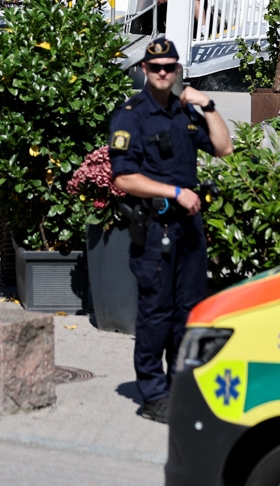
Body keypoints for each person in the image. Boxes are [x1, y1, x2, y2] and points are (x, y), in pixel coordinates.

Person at [109, 37, 233, 424]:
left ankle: (181, 387)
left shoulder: (185, 112)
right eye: (156, 67)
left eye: (170, 67)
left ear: (178, 71)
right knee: (157, 314)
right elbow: (124, 178)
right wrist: (174, 191)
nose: (163, 73)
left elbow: (224, 147)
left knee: (189, 311)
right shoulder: (131, 115)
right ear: (144, 70)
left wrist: (208, 105)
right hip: (155, 227)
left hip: (189, 228)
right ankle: (153, 393)